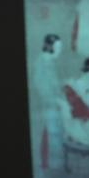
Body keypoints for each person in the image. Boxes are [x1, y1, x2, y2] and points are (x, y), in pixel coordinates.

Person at [32, 34, 63, 170]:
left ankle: (49, 163)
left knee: (51, 133)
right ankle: (52, 165)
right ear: (49, 46)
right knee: (52, 134)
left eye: (61, 47)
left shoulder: (50, 61)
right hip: (48, 104)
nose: (60, 50)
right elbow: (41, 86)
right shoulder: (42, 63)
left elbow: (54, 83)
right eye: (58, 47)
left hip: (53, 102)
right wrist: (55, 100)